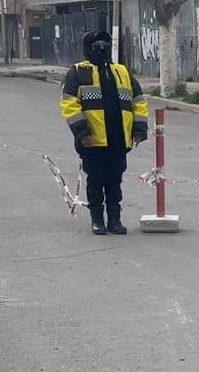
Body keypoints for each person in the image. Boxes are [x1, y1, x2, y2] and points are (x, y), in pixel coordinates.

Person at [60, 31, 149, 235]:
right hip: (92, 141)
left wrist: (139, 130)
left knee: (114, 181)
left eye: (105, 44)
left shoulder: (122, 72)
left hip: (118, 139)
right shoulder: (78, 72)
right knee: (95, 181)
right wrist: (82, 133)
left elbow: (139, 102)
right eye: (96, 45)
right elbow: (69, 105)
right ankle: (97, 220)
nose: (101, 48)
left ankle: (115, 220)